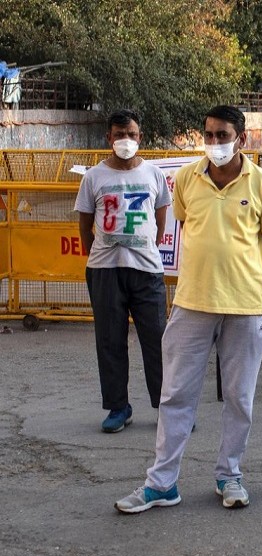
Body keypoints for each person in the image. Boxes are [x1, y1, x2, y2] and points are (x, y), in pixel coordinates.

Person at [115, 105, 262, 512]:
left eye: (222, 136)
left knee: (239, 397)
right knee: (175, 395)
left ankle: (230, 476)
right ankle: (161, 484)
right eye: (208, 135)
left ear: (241, 138)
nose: (214, 143)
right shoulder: (188, 179)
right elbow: (185, 221)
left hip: (244, 304)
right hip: (192, 302)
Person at [75, 109, 170, 433]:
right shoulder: (94, 177)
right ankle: (118, 407)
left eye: (130, 134)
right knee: (110, 340)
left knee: (157, 340)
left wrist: (146, 247)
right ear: (108, 138)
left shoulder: (154, 175)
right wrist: (100, 255)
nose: (125, 141)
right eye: (119, 135)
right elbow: (85, 225)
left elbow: (160, 220)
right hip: (105, 270)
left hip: (147, 271)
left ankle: (165, 407)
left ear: (140, 137)